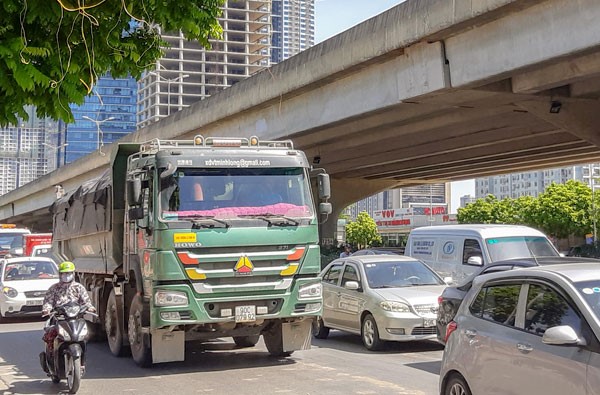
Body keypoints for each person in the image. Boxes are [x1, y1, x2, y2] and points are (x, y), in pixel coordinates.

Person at [41, 261, 95, 352]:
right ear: (60, 274)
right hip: (59, 318)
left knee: (86, 334)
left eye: (68, 273)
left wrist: (89, 307)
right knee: (50, 335)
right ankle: (50, 356)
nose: (66, 275)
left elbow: (86, 302)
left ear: (73, 274)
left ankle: (81, 362)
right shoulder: (54, 288)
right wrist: (47, 309)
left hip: (75, 318)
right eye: (64, 273)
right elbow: (48, 302)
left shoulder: (79, 287)